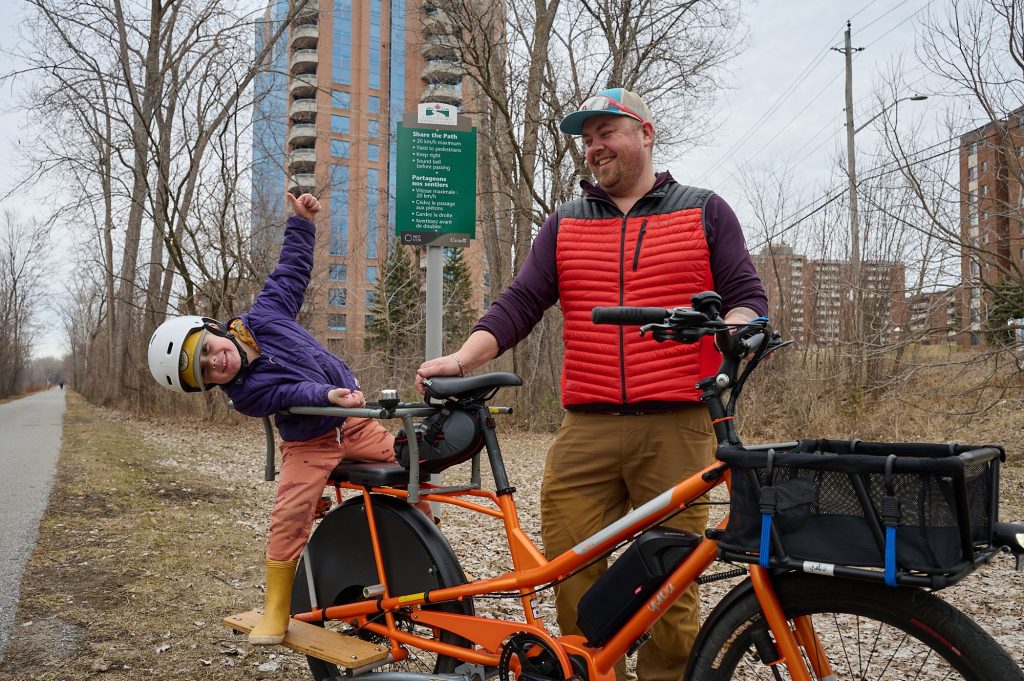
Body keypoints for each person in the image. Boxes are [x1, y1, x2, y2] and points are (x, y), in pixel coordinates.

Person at [417, 88, 768, 680]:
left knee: (674, 587)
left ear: (646, 134)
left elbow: (747, 299)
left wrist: (737, 332)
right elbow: (521, 302)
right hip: (587, 426)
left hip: (678, 426)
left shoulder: (705, 210)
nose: (594, 147)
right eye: (587, 138)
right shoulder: (565, 223)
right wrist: (463, 356)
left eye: (606, 131)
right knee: (568, 566)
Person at [147, 193, 426, 646]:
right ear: (208, 386)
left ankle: (423, 568)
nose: (216, 363)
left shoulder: (267, 314)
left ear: (214, 330)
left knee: (413, 469)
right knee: (290, 513)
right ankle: (277, 608)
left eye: (207, 351)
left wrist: (302, 224)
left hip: (354, 425)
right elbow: (291, 393)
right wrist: (328, 394)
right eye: (205, 373)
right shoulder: (246, 394)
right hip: (309, 441)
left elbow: (291, 271)